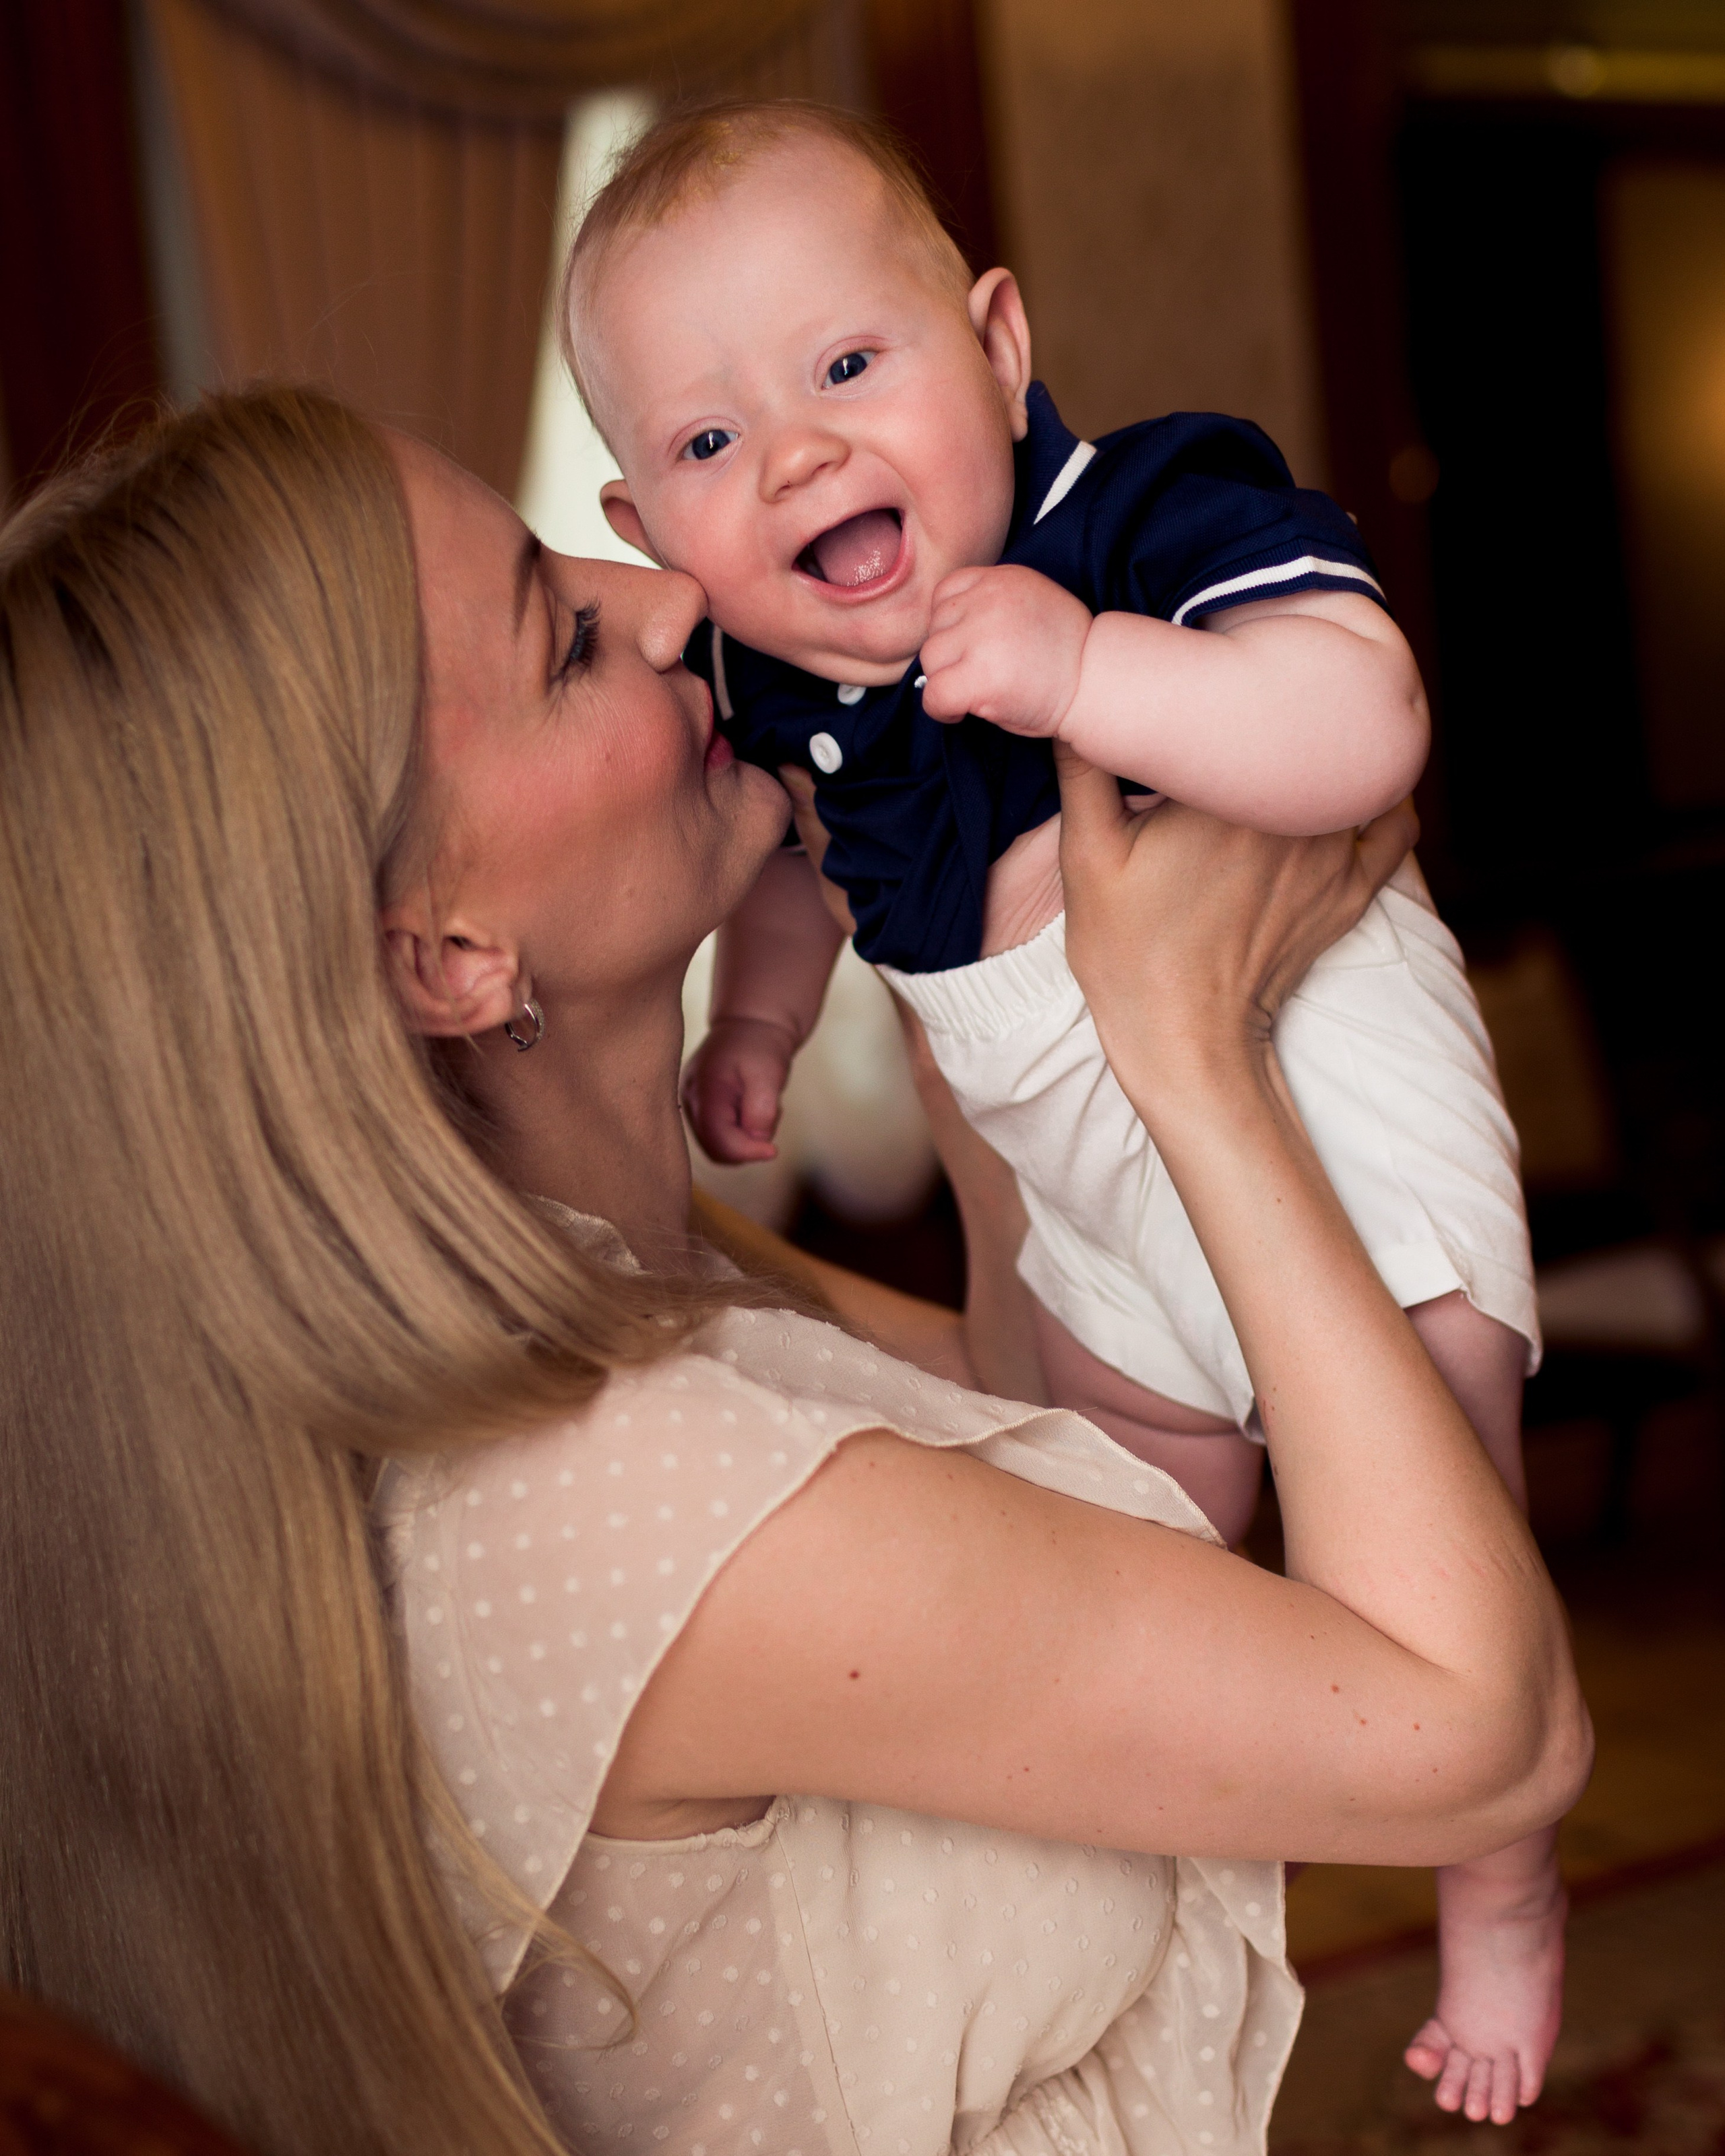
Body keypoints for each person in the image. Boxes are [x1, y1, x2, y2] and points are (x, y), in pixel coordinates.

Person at [0, 389, 1588, 2156]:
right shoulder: (617, 1486)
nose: (673, 600)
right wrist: (1190, 1060)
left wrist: (984, 1001)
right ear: (447, 955)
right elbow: (1484, 1735)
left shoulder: (619, 1294)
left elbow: (1083, 1460)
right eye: (562, 638)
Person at [564, 101, 1565, 2113]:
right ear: (648, 528)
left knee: (1446, 1501)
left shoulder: (1139, 512)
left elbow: (1362, 717)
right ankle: (1178, 1858)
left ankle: (1505, 1886)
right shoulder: (780, 689)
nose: (797, 455)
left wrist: (1094, 669)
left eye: (850, 366)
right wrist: (759, 1025)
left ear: (999, 348)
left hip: (1319, 1085)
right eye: (707, 445)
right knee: (1125, 1522)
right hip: (1092, 1179)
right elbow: (797, 871)